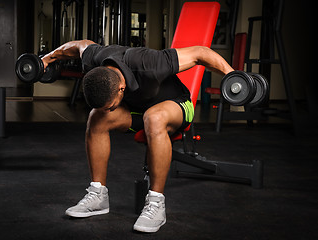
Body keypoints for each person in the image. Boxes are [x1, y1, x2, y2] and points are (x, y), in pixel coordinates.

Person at [41, 40, 234, 233]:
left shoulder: (149, 63)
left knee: (154, 117)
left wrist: (233, 77)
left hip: (176, 107)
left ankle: (156, 203)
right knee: (97, 117)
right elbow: (78, 46)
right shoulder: (97, 57)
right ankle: (98, 195)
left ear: (121, 89)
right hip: (139, 113)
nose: (111, 109)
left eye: (111, 105)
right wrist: (46, 59)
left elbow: (200, 53)